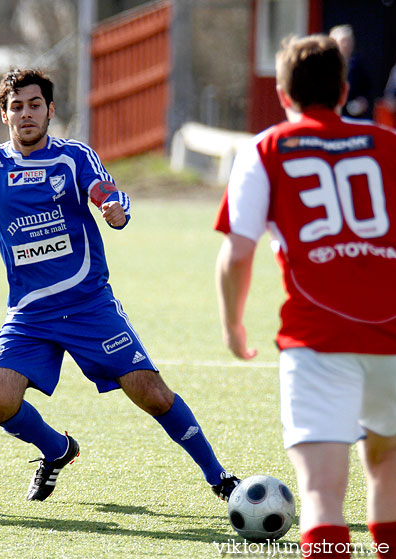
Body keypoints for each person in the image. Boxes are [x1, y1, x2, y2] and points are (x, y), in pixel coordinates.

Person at [0, 68, 240, 503]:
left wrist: (114, 208)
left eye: (35, 105)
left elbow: (105, 188)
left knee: (150, 392)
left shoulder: (72, 156)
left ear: (50, 110)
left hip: (89, 305)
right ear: (4, 115)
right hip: (30, 313)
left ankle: (220, 479)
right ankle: (57, 450)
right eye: (16, 107)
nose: (26, 114)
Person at [215, 34, 396, 558]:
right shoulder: (387, 144)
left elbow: (237, 254)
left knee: (321, 492)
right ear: (344, 90)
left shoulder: (265, 149)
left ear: (283, 93)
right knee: (386, 477)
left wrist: (233, 324)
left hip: (316, 340)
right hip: (390, 337)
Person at [329, 24, 372, 120]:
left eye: (349, 41)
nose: (347, 44)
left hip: (353, 117)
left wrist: (363, 101)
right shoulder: (325, 66)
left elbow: (367, 90)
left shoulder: (358, 66)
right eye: (343, 41)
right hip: (331, 117)